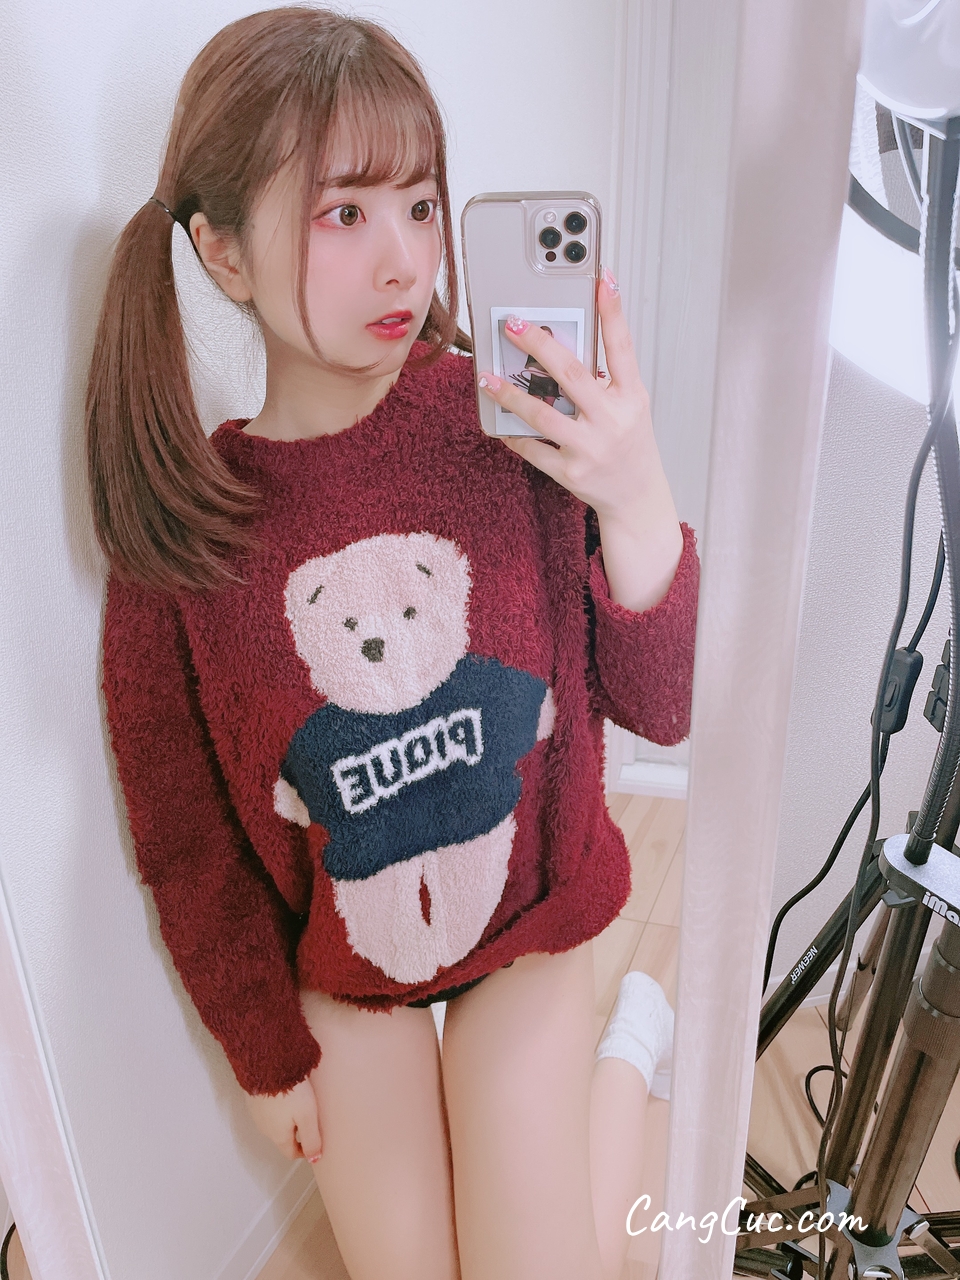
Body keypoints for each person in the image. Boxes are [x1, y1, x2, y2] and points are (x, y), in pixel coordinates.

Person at [86, 9, 699, 1280]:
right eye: (343, 213)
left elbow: (662, 702)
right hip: (348, 965)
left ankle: (628, 1050)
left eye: (420, 205)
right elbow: (186, 839)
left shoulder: (509, 425)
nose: (404, 259)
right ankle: (630, 1049)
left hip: (528, 920)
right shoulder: (191, 531)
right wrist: (261, 1049)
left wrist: (638, 498)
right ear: (221, 251)